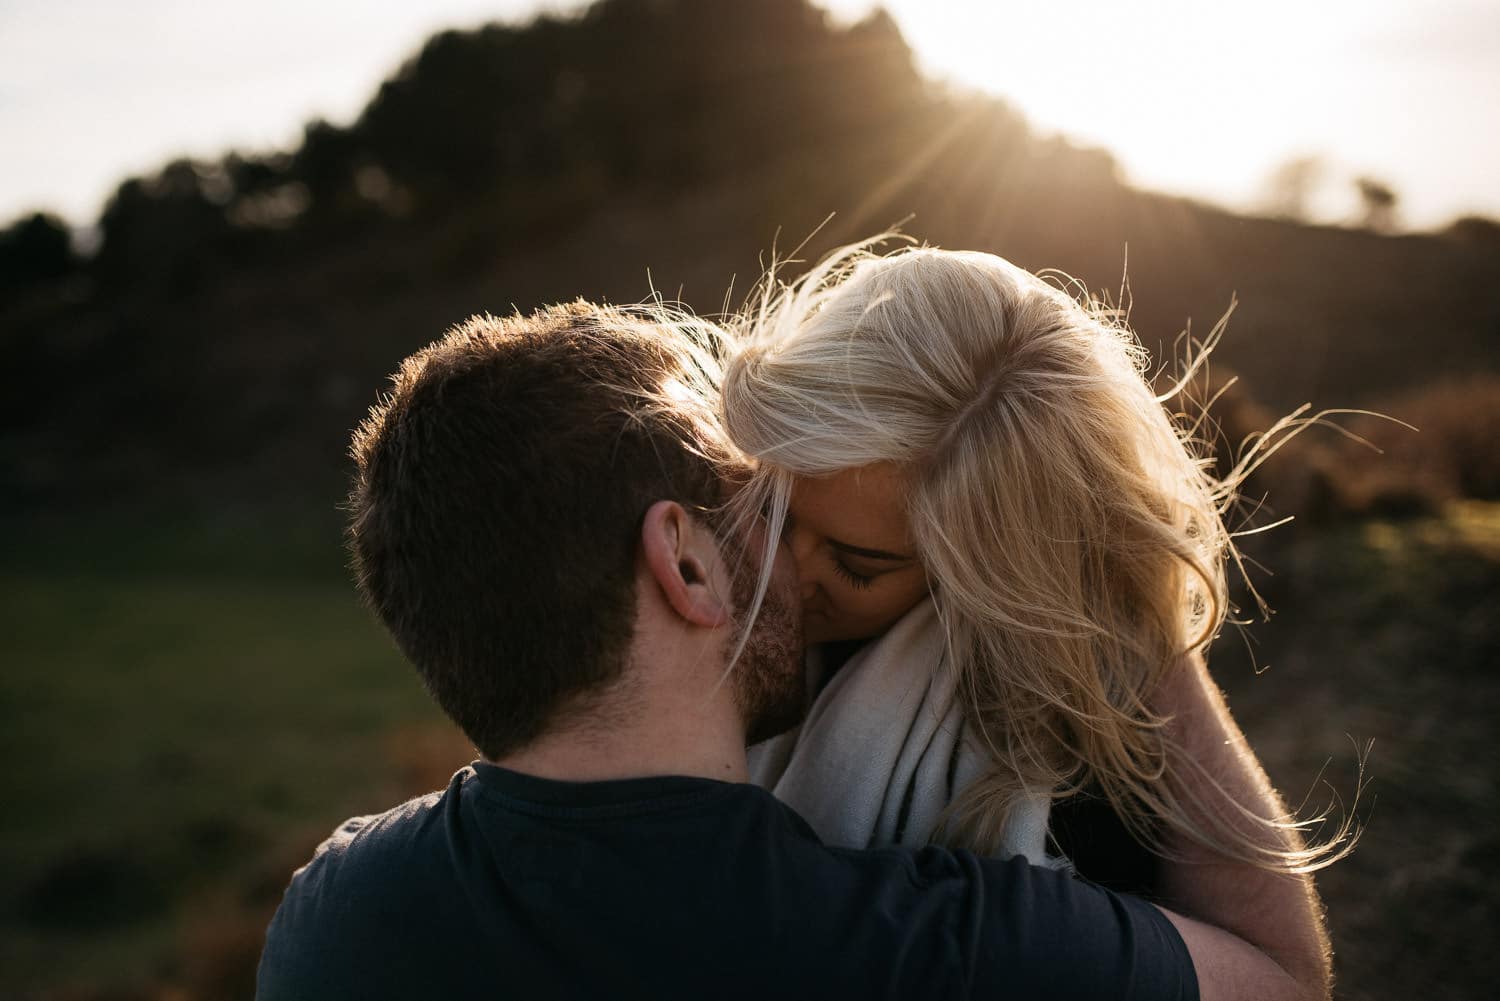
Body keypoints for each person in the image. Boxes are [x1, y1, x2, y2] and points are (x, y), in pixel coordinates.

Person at [256, 299, 1319, 1000]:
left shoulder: (330, 915)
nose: (790, 576)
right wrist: (1130, 592)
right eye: (751, 503)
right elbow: (1281, 975)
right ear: (686, 563)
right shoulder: (926, 944)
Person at [719, 241, 1337, 980]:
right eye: (774, 507)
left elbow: (1286, 976)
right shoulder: (660, 530)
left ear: (983, 573)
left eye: (856, 564)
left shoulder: (1074, 766)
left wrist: (1140, 621)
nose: (781, 576)